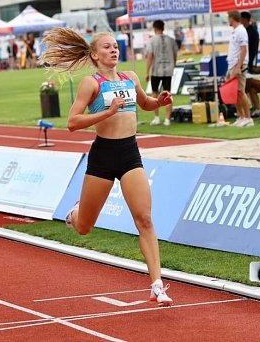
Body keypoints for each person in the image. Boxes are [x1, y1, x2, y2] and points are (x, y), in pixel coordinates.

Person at [40, 27, 173, 306]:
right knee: (85, 227)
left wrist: (158, 103)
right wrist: (108, 112)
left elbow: (144, 103)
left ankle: (157, 285)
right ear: (94, 54)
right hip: (102, 156)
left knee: (145, 219)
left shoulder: (130, 77)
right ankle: (76, 211)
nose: (114, 50)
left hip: (129, 155)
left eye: (115, 46)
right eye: (107, 47)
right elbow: (73, 123)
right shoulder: (92, 83)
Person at [146, 20, 177, 126]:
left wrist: (147, 72)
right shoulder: (171, 40)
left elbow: (150, 56)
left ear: (154, 28)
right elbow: (175, 55)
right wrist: (173, 65)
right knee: (168, 94)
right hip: (168, 70)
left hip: (156, 70)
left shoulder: (152, 40)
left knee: (154, 94)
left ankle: (157, 118)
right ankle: (167, 119)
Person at [226, 10, 253, 127]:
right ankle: (241, 116)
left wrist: (239, 66)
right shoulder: (235, 31)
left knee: (241, 92)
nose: (228, 20)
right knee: (234, 92)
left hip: (238, 65)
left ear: (232, 18)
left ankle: (248, 117)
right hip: (232, 65)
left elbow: (244, 49)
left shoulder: (241, 31)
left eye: (228, 18)